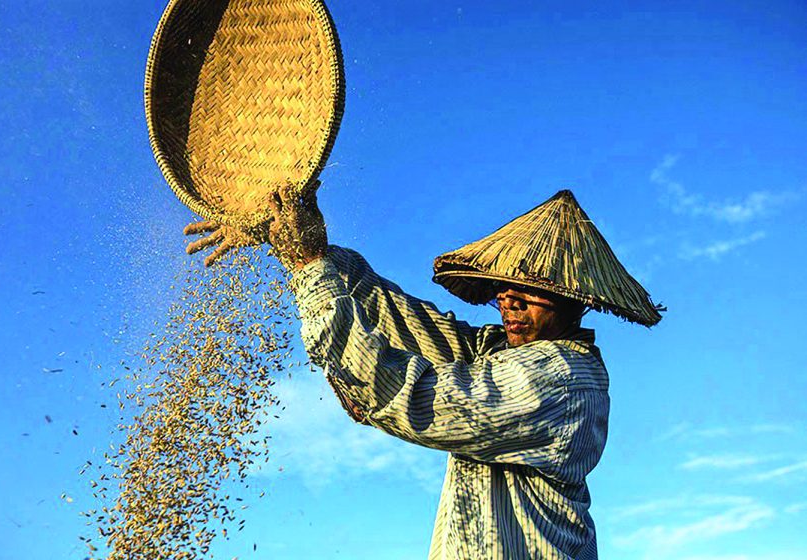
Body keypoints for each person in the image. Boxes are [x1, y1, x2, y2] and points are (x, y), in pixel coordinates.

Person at [184, 186, 663, 559]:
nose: (509, 302)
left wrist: (309, 268)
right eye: (503, 287)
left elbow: (423, 399)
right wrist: (308, 249)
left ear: (575, 297)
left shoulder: (564, 380)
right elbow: (399, 317)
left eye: (530, 288)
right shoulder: (495, 350)